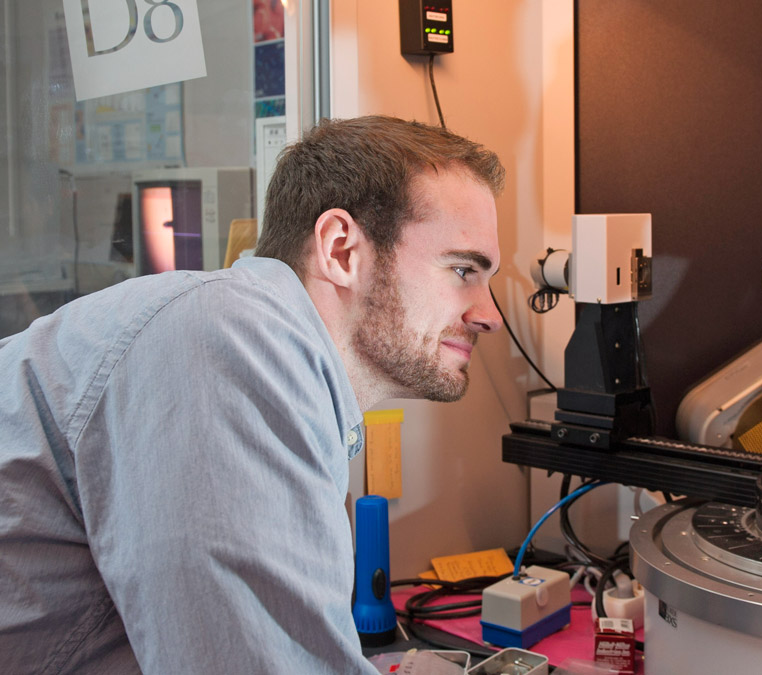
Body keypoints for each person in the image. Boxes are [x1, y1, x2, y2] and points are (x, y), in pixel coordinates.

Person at [0, 116, 504, 673]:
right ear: (341, 251)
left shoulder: (267, 359)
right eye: (462, 271)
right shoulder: (231, 342)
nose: (490, 316)